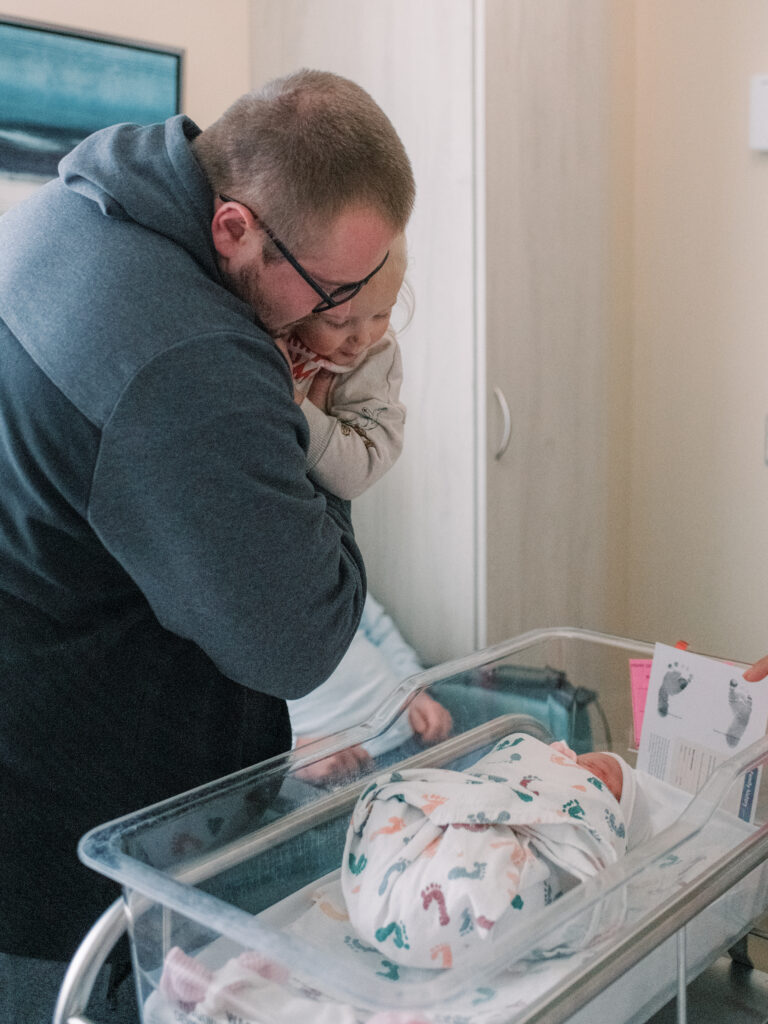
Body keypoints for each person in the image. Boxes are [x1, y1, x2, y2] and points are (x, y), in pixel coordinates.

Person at [0, 68, 414, 1021]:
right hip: (74, 862)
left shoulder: (65, 207)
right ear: (234, 228)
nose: (341, 332)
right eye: (330, 295)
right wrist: (309, 422)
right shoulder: (190, 363)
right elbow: (299, 637)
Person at [341, 732, 651, 970]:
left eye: (606, 782)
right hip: (470, 797)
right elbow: (505, 766)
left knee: (513, 871)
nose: (589, 769)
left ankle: (441, 897)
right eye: (585, 762)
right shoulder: (545, 762)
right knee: (405, 815)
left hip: (527, 831)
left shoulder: (597, 816)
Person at [282, 232, 409, 500]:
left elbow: (357, 472)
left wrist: (293, 405)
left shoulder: (376, 356)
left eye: (382, 314)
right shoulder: (270, 326)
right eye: (338, 322)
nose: (362, 339)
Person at [288, 592, 453, 781]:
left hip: (416, 721)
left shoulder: (326, 568)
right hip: (343, 770)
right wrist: (296, 755)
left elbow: (381, 633)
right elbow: (250, 736)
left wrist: (415, 687)